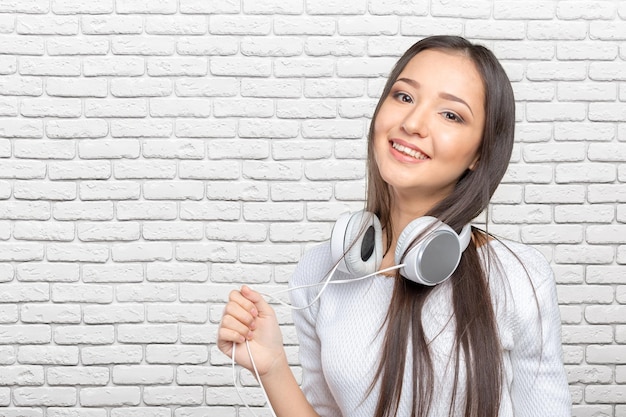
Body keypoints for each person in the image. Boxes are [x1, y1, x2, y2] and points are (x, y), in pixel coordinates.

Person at [217, 35, 572, 417]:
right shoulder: (323, 271)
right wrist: (272, 367)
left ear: (480, 153)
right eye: (404, 97)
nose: (413, 122)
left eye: (450, 114)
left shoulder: (519, 276)